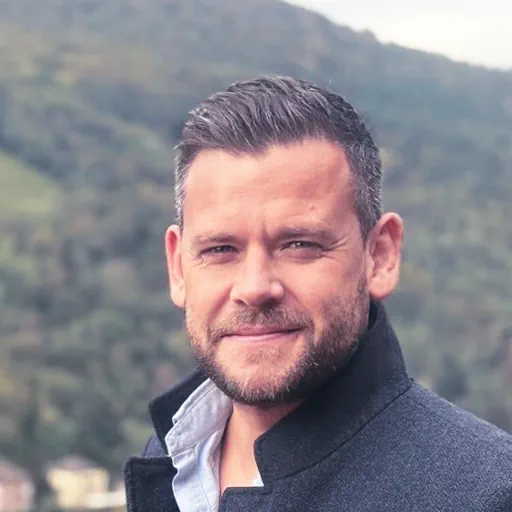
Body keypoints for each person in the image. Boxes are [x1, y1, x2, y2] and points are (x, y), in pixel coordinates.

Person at [124, 76, 512, 511]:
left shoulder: (488, 495)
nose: (254, 288)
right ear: (178, 267)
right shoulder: (171, 460)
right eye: (220, 249)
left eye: (299, 245)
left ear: (380, 256)